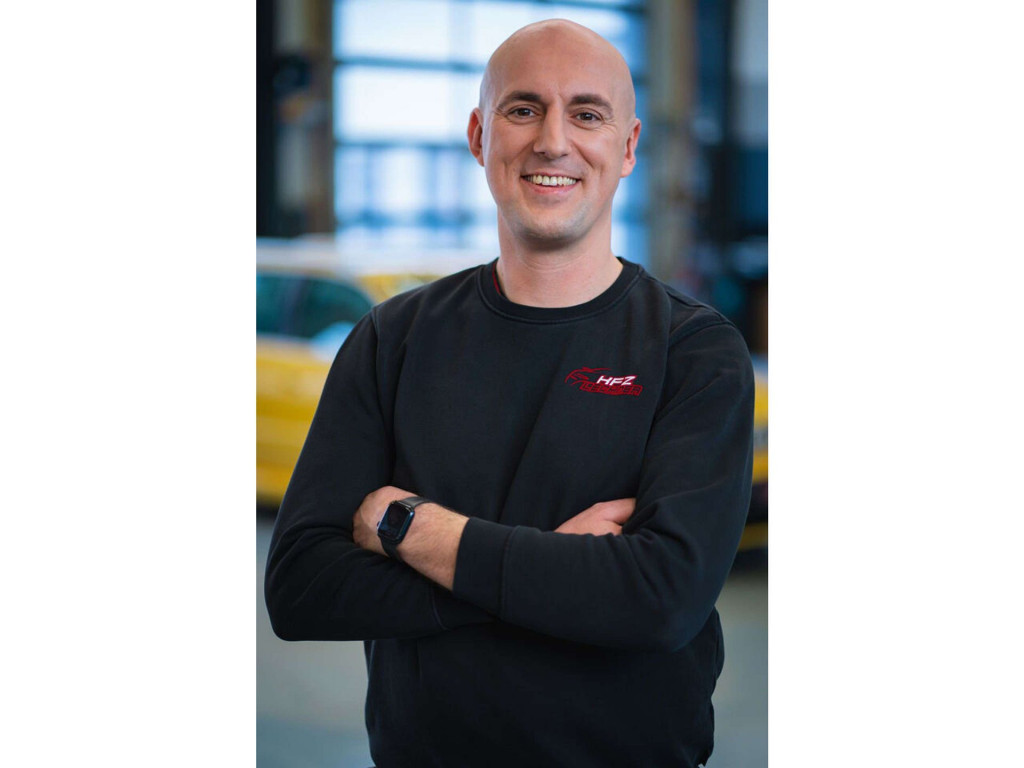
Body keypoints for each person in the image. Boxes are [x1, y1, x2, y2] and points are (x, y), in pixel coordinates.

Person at [265, 19, 754, 768]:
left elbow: (661, 597)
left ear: (627, 147)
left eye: (586, 113)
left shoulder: (693, 351)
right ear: (479, 135)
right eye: (523, 109)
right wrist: (556, 570)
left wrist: (416, 532)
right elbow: (302, 587)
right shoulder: (394, 338)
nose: (553, 141)